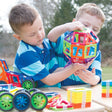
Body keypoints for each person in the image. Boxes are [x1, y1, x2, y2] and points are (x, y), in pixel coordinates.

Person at [8, 3, 91, 88]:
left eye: (40, 28)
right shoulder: (26, 54)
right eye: (32, 34)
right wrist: (73, 68)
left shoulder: (46, 45)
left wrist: (76, 68)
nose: (40, 35)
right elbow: (49, 80)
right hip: (29, 97)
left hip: (47, 93)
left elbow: (55, 70)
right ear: (18, 37)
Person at [47, 3, 105, 86]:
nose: (89, 30)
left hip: (82, 91)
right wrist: (67, 26)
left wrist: (93, 79)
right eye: (85, 25)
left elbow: (98, 76)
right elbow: (51, 36)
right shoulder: (65, 39)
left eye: (95, 29)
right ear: (74, 23)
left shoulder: (95, 51)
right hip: (60, 88)